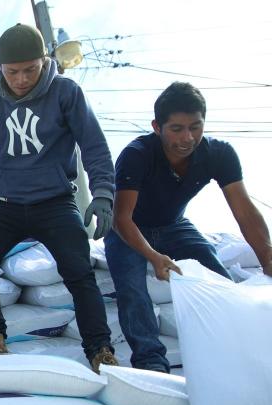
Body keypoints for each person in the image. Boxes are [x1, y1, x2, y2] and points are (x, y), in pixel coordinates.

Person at [0, 23, 118, 372]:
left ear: (45, 61)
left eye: (31, 69)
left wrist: (103, 194)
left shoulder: (66, 93)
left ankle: (100, 349)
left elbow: (94, 145)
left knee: (79, 270)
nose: (22, 79)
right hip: (4, 203)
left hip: (55, 201)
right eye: (12, 72)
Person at [105, 81, 272, 373]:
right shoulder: (137, 155)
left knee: (217, 276)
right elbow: (121, 218)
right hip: (130, 228)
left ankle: (237, 349)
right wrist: (153, 256)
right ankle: (151, 363)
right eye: (177, 129)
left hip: (174, 225)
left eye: (195, 127)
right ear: (157, 127)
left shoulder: (219, 154)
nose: (188, 138)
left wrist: (267, 256)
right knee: (132, 288)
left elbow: (244, 211)